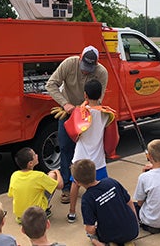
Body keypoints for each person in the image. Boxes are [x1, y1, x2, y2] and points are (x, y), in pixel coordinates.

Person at [46, 45, 108, 204]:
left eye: (89, 68)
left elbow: (98, 98)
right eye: (84, 67)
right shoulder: (69, 64)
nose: (86, 71)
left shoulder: (101, 72)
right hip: (67, 112)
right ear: (80, 59)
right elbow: (51, 84)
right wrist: (65, 104)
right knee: (66, 148)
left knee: (89, 151)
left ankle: (90, 184)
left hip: (87, 115)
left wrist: (80, 111)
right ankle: (67, 186)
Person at [67, 79, 114, 223]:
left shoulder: (79, 112)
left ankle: (72, 212)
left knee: (75, 183)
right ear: (101, 94)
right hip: (98, 158)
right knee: (102, 185)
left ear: (85, 95)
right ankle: (103, 210)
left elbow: (73, 131)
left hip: (80, 155)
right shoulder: (106, 114)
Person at [71, 159, 138, 245]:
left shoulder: (87, 198)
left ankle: (103, 244)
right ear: (95, 172)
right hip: (133, 230)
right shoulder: (111, 182)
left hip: (110, 236)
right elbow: (129, 202)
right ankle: (127, 241)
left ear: (77, 182)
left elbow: (90, 228)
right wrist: (134, 220)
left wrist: (91, 230)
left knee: (90, 235)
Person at [8, 147, 63, 223]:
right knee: (52, 175)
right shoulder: (39, 176)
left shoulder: (14, 175)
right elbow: (60, 186)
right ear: (30, 163)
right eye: (34, 155)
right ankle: (44, 211)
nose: (37, 155)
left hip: (20, 216)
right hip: (35, 215)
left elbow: (11, 194)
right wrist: (57, 172)